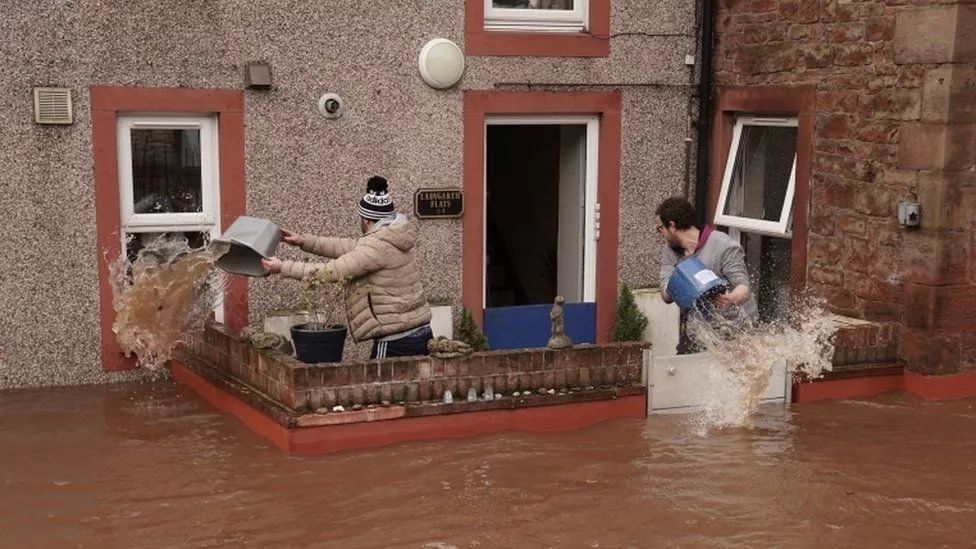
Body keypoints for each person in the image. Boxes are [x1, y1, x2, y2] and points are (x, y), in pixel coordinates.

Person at [261, 176, 433, 359]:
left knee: (379, 386)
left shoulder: (376, 246)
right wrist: (304, 241)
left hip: (396, 340)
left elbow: (332, 271)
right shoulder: (392, 236)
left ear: (367, 220)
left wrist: (283, 267)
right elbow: (350, 246)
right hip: (418, 331)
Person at [655, 197, 757, 353]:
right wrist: (685, 280)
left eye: (660, 228)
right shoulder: (669, 252)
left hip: (735, 328)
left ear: (672, 226)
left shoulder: (723, 245)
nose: (660, 233)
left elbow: (743, 287)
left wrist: (730, 299)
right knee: (683, 370)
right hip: (699, 329)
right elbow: (666, 295)